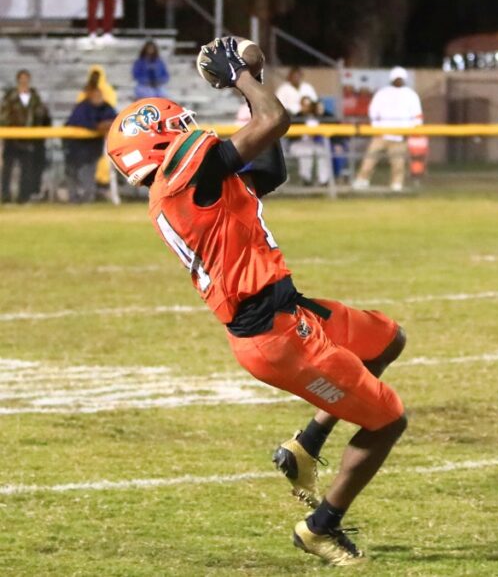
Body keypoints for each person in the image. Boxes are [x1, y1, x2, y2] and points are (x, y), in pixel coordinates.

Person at [105, 38, 407, 567]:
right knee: (387, 421)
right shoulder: (183, 178)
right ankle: (320, 527)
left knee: (386, 340)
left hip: (289, 310)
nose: (187, 128)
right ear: (160, 141)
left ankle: (305, 447)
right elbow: (274, 119)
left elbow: (268, 169)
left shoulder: (190, 187)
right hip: (276, 335)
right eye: (176, 126)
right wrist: (239, 78)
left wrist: (251, 85)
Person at [353, 67, 423, 192]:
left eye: (400, 78)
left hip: (400, 134)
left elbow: (417, 115)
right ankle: (362, 180)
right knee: (370, 158)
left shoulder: (411, 94)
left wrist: (410, 132)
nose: (398, 80)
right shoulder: (382, 93)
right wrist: (376, 128)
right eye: (396, 78)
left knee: (398, 162)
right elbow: (373, 111)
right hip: (381, 133)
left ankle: (396, 184)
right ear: (391, 79)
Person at [0, 70, 51, 203]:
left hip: (29, 139)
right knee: (7, 169)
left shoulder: (34, 97)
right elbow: (4, 114)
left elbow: (41, 114)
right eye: (22, 78)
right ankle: (5, 196)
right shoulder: (11, 96)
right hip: (12, 138)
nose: (24, 81)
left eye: (26, 78)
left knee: (27, 169)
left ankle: (24, 196)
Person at [65, 85, 116, 203]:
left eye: (99, 95)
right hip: (75, 146)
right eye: (95, 95)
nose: (97, 97)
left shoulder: (106, 107)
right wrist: (99, 125)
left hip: (92, 147)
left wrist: (106, 124)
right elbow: (79, 122)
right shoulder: (82, 107)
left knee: (88, 173)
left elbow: (115, 119)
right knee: (72, 173)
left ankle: (87, 198)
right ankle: (74, 198)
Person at [291, 96, 333, 186]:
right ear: (301, 106)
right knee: (306, 152)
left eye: (309, 105)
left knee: (323, 151)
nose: (307, 107)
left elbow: (332, 119)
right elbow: (290, 137)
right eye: (305, 105)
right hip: (298, 144)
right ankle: (306, 179)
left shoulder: (317, 116)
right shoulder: (296, 117)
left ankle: (324, 181)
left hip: (314, 143)